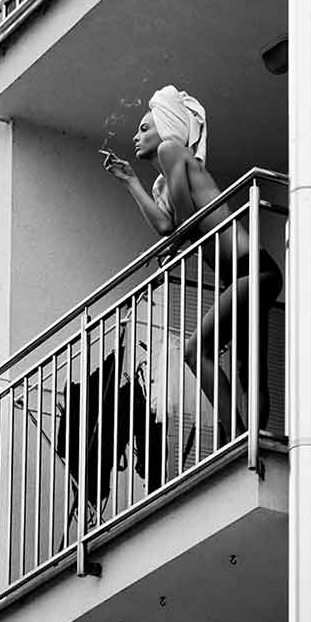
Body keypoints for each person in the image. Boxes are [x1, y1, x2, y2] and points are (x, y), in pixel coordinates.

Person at [102, 85, 282, 441]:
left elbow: (184, 221)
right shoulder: (164, 182)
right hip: (247, 274)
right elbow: (168, 226)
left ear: (167, 126)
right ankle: (253, 438)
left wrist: (174, 243)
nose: (136, 136)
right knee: (247, 365)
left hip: (252, 270)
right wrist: (130, 182)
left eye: (144, 127)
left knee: (195, 350)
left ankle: (238, 439)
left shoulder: (173, 150)